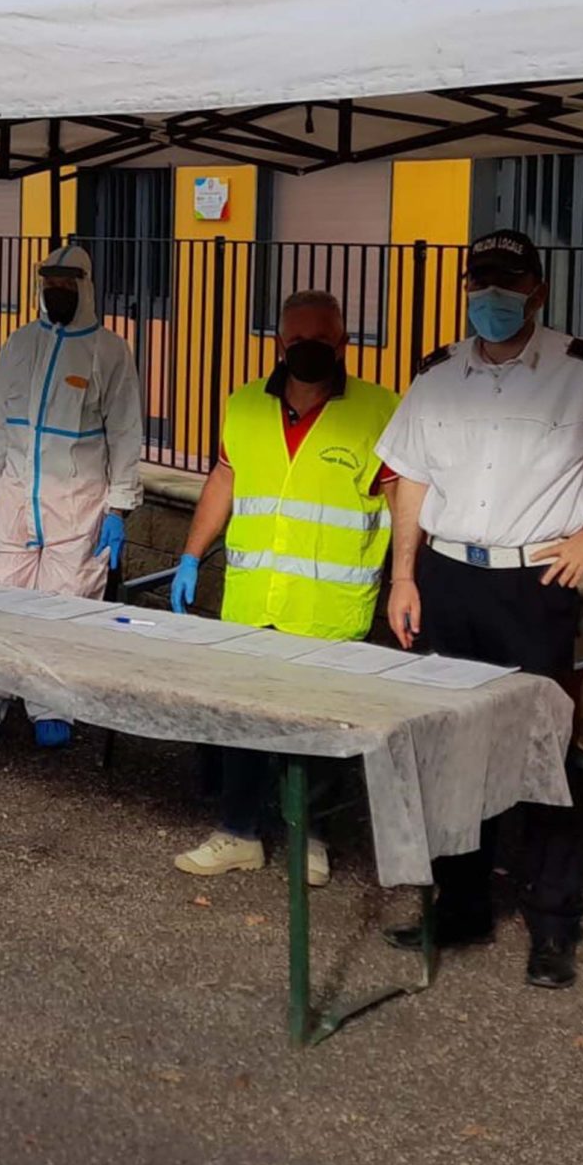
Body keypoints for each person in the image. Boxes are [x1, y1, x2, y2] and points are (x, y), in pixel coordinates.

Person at [374, 228, 583, 990]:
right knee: (451, 746)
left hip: (532, 585)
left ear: (537, 292)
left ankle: (552, 924)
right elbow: (409, 477)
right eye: (480, 282)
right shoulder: (438, 374)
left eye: (507, 284)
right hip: (448, 577)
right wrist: (403, 576)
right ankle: (463, 904)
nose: (491, 297)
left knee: (543, 754)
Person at [166, 288, 396, 886]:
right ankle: (238, 833)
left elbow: (401, 499)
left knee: (319, 728)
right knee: (241, 723)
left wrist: (407, 579)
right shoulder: (244, 404)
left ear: (344, 343)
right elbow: (225, 478)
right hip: (251, 599)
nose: (309, 349)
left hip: (329, 607)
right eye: (297, 340)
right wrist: (190, 555)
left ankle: (311, 839)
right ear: (278, 343)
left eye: (322, 339)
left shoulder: (380, 410)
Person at [0, 244, 144, 750]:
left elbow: (125, 433)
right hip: (15, 495)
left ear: (85, 287)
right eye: (49, 283)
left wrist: (118, 507)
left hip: (77, 503)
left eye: (66, 284)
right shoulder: (21, 343)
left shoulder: (109, 352)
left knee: (64, 605)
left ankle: (53, 705)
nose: (56, 292)